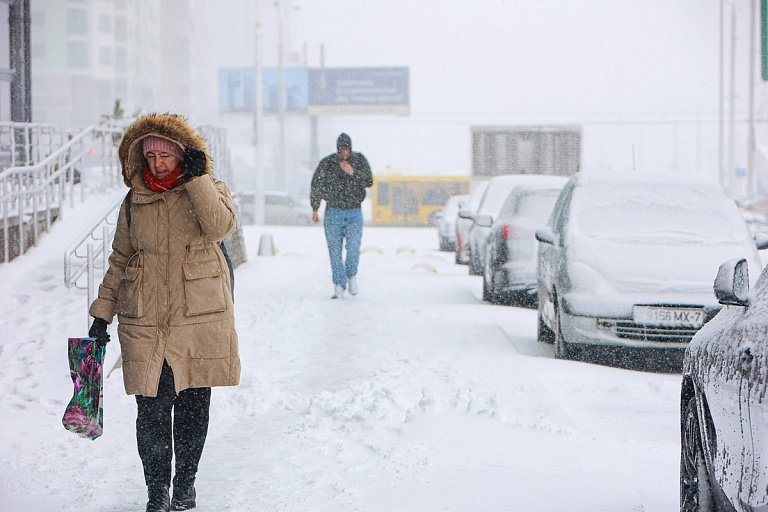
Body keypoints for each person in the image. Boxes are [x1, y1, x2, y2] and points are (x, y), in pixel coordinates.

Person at [87, 113, 240, 512]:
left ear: (183, 155)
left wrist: (198, 179)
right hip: (145, 319)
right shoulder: (134, 200)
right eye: (150, 154)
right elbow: (120, 258)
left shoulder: (209, 189)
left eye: (166, 155)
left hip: (197, 318)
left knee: (192, 406)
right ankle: (157, 493)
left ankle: (185, 485)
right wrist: (102, 313)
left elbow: (221, 227)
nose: (157, 163)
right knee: (151, 412)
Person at [310, 133, 373, 299]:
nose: (345, 153)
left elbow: (369, 181)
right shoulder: (328, 163)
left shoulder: (359, 160)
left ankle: (351, 276)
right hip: (333, 211)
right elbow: (316, 184)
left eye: (347, 149)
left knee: (353, 248)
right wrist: (315, 208)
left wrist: (353, 172)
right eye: (342, 149)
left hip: (354, 211)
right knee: (334, 250)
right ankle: (339, 283)